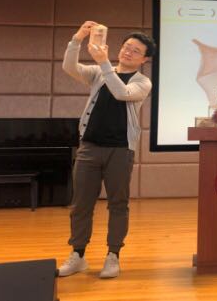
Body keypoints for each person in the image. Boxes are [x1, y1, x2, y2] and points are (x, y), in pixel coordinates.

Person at [58, 21, 155, 279]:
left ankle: (113, 255)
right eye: (126, 47)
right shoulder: (99, 72)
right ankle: (78, 254)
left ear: (144, 59)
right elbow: (69, 67)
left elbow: (121, 93)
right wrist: (77, 39)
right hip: (89, 147)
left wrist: (103, 63)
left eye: (136, 51)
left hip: (120, 150)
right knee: (81, 204)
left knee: (118, 204)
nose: (128, 52)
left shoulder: (143, 82)